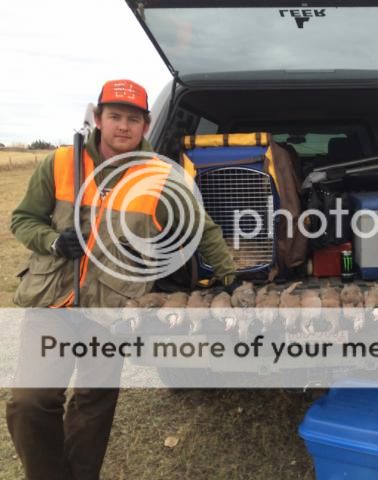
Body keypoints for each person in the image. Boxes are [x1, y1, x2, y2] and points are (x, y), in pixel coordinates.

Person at [7, 79, 236, 480]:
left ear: (146, 125)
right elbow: (23, 219)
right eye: (115, 116)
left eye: (133, 119)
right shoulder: (60, 162)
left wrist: (230, 276)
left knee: (94, 403)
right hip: (53, 302)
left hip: (114, 309)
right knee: (30, 401)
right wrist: (52, 241)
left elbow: (201, 228)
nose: (123, 126)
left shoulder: (162, 177)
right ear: (99, 119)